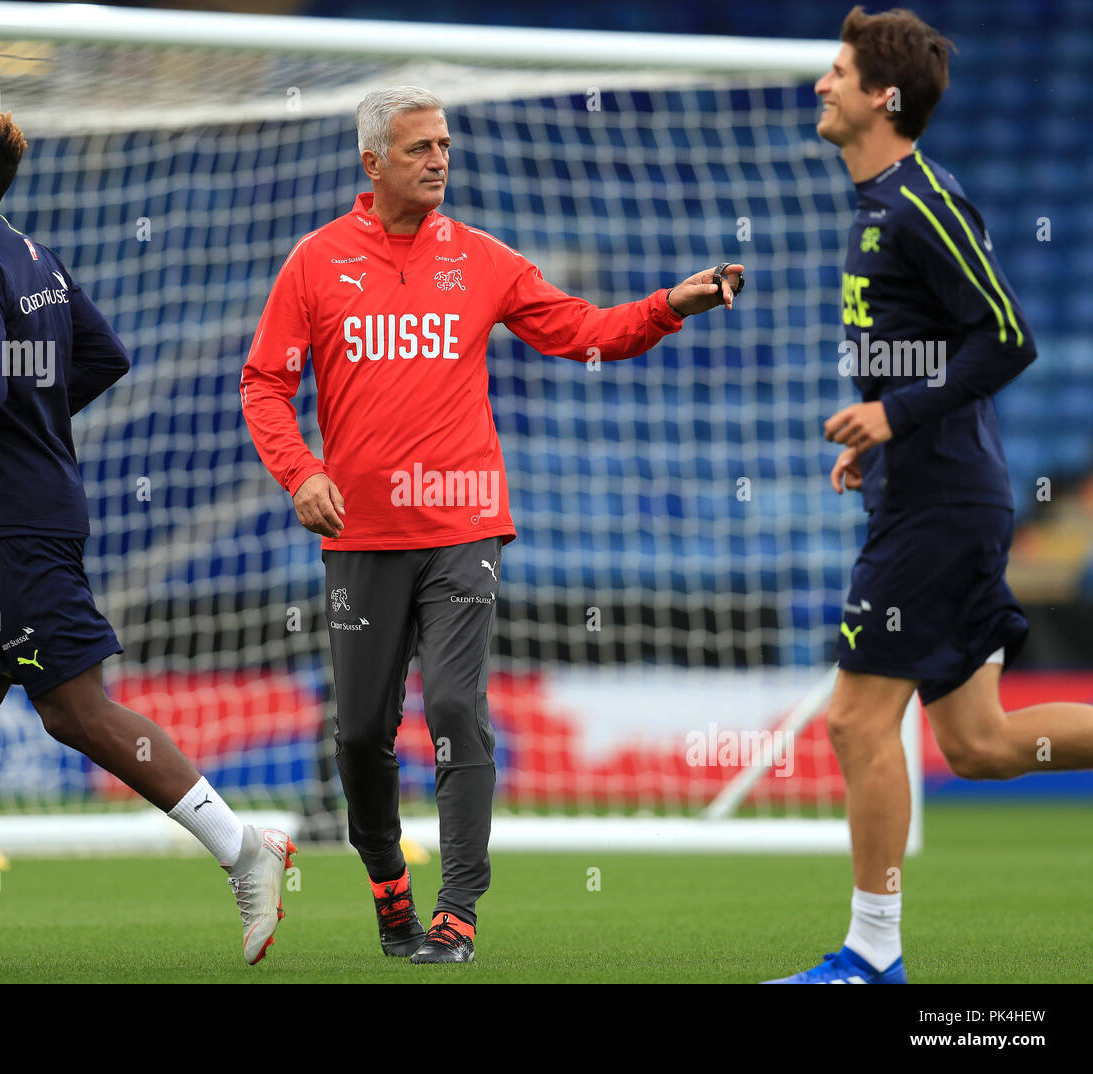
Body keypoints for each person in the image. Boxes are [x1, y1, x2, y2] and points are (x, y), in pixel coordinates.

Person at [241, 85, 743, 963]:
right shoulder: (316, 263)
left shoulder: (482, 260)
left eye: (444, 144)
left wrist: (670, 303)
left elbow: (584, 331)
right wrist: (303, 471)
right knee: (359, 731)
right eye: (419, 148)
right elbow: (265, 383)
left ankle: (457, 913)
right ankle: (390, 889)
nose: (439, 159)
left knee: (454, 708)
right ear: (372, 163)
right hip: (361, 536)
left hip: (465, 521)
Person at [0, 99, 293, 972]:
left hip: (17, 525)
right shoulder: (30, 253)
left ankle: (244, 850)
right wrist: (41, 419)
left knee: (76, 712)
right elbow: (105, 355)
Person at [766, 7, 1093, 984]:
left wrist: (898, 420)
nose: (820, 85)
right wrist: (880, 435)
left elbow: (1007, 336)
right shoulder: (876, 206)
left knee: (856, 722)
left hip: (941, 505)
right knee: (982, 744)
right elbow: (930, 353)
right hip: (924, 488)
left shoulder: (922, 201)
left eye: (837, 72)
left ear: (882, 97)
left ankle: (871, 957)